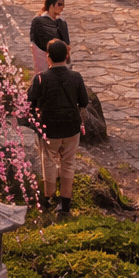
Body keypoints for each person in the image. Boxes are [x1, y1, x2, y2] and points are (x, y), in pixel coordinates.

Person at [27, 39, 89, 214]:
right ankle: (65, 204)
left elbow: (29, 101)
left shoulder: (41, 79)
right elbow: (84, 101)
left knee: (48, 161)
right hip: (71, 127)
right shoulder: (75, 77)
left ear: (48, 57)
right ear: (66, 56)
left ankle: (48, 199)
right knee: (68, 163)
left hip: (49, 129)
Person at [29, 0, 70, 76]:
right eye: (59, 4)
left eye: (63, 5)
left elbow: (67, 45)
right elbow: (38, 48)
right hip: (45, 62)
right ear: (51, 5)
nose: (62, 8)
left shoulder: (61, 22)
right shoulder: (39, 22)